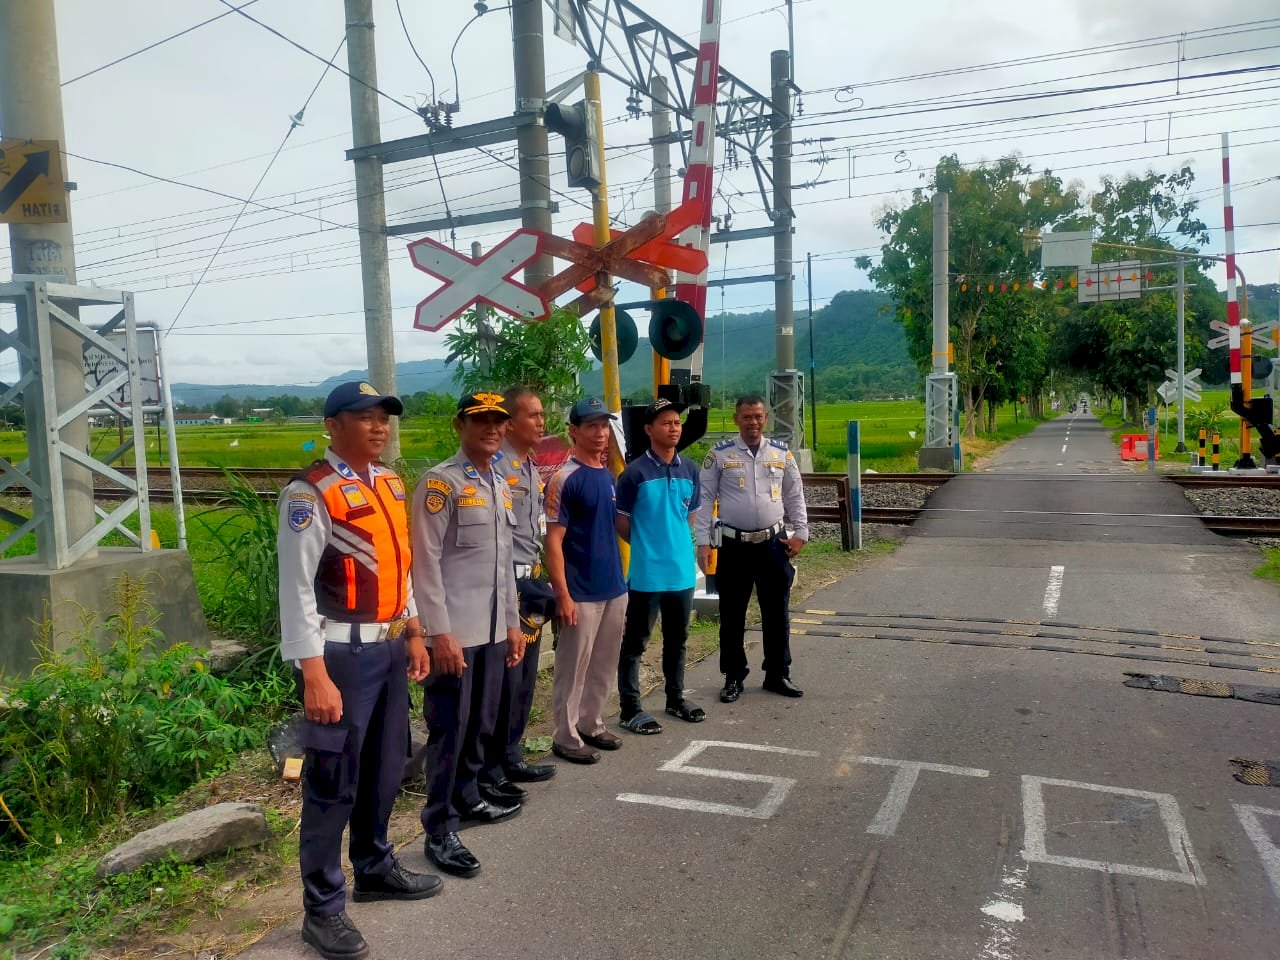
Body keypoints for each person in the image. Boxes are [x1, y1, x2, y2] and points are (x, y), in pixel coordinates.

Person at [277, 380, 438, 960]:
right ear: (333, 425)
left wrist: (414, 632)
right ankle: (322, 910)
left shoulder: (390, 483)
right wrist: (313, 673)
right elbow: (294, 591)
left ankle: (373, 866)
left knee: (386, 766)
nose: (379, 427)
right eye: (364, 417)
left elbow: (405, 569)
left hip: (392, 648)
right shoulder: (310, 492)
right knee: (331, 780)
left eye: (384, 418)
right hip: (340, 657)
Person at [412, 392, 527, 879]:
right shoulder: (442, 483)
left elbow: (504, 565)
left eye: (498, 421)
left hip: (493, 630)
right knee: (448, 730)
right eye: (480, 420)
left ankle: (468, 796)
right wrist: (440, 632)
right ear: (460, 424)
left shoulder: (500, 481)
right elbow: (425, 562)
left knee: (481, 722)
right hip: (455, 633)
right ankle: (439, 829)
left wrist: (513, 623)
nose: (492, 429)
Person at [695, 394, 809, 704]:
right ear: (736, 420)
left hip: (773, 544)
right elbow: (704, 500)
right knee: (732, 614)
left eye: (758, 416)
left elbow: (795, 495)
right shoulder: (719, 455)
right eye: (747, 417)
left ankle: (777, 674)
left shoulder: (781, 455)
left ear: (766, 418)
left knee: (777, 613)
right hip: (734, 546)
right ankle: (733, 677)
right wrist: (703, 542)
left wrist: (801, 533)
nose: (753, 422)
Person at [545, 396, 628, 764]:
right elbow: (553, 541)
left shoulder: (608, 476)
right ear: (573, 431)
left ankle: (591, 723)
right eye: (591, 426)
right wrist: (562, 593)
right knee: (573, 666)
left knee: (604, 662)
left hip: (613, 586)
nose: (600, 433)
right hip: (580, 591)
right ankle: (564, 735)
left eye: (604, 426)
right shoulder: (566, 478)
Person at [481, 385, 557, 786]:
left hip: (529, 583)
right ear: (510, 424)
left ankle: (512, 754)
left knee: (525, 677)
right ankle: (492, 765)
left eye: (542, 415)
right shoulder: (494, 468)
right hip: (505, 585)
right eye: (533, 415)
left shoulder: (529, 466)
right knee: (505, 679)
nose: (541, 422)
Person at [615, 398, 703, 735]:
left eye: (677, 422)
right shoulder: (634, 474)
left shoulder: (690, 469)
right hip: (647, 574)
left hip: (681, 572)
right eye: (666, 422)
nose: (674, 427)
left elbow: (689, 519)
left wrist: (672, 544)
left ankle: (675, 698)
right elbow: (622, 524)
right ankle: (630, 708)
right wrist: (648, 545)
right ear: (649, 430)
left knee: (677, 641)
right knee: (635, 643)